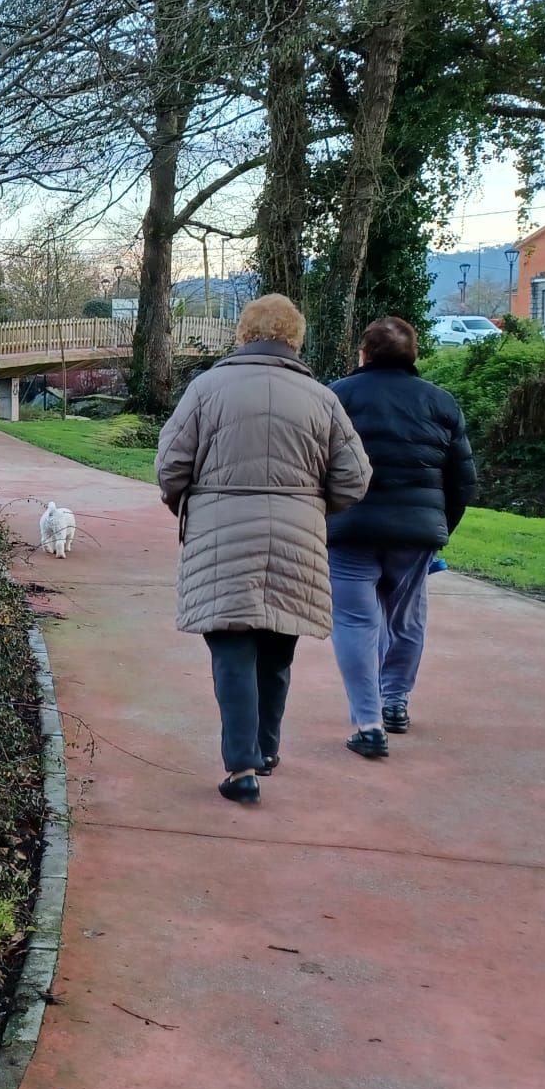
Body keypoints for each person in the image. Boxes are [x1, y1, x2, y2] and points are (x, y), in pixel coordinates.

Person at [156, 295, 370, 803]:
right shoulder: (322, 399)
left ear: (243, 335)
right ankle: (266, 750)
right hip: (298, 536)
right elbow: (354, 478)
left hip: (221, 534)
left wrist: (189, 502)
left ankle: (241, 768)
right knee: (276, 647)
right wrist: (312, 507)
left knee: (232, 649)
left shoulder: (206, 388)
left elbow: (170, 465)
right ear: (295, 339)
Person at [325, 317, 478, 757]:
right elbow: (463, 481)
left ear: (364, 353)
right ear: (414, 356)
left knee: (355, 620)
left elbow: (314, 466)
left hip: (350, 528)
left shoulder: (336, 397)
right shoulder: (440, 402)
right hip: (415, 535)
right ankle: (396, 702)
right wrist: (438, 530)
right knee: (406, 619)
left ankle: (368, 722)